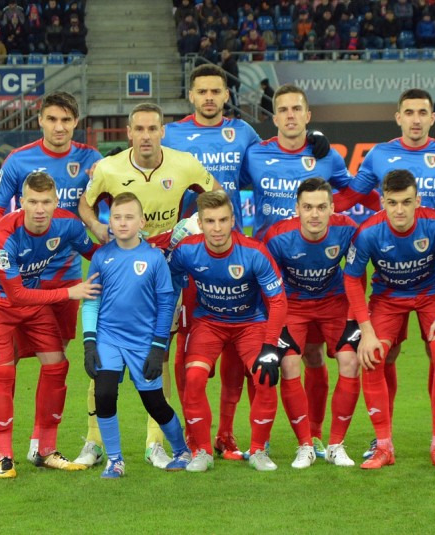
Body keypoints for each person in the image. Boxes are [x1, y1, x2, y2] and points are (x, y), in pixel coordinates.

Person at [161, 66, 333, 462]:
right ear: (191, 95)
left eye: (216, 91)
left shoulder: (243, 133)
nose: (209, 97)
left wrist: (314, 137)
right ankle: (194, 436)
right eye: (202, 91)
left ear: (227, 95)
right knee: (190, 351)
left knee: (245, 348)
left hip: (238, 249)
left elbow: (280, 149)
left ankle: (235, 436)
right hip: (189, 254)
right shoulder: (171, 135)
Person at [336, 88, 435, 460]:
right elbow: (351, 198)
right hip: (389, 283)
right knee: (381, 355)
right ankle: (382, 439)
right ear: (399, 117)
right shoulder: (379, 155)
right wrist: (311, 209)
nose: (416, 119)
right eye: (409, 112)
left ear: (432, 118)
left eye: (423, 112)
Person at [77, 101, 221, 470]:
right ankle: (94, 441)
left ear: (162, 132)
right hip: (118, 261)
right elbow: (85, 204)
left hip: (165, 267)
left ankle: (155, 443)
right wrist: (97, 225)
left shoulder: (184, 163)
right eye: (138, 129)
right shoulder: (109, 168)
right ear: (128, 133)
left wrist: (194, 227)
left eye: (152, 129)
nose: (145, 136)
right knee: (102, 360)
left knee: (159, 356)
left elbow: (215, 195)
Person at [240, 83, 377, 456]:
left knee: (314, 357)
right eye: (283, 109)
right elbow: (224, 186)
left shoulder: (325, 155)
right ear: (274, 117)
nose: (290, 115)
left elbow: (350, 193)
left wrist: (389, 207)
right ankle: (261, 438)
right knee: (266, 357)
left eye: (296, 109)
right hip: (271, 274)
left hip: (321, 279)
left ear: (307, 115)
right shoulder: (255, 154)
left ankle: (316, 436)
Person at [0, 91, 102, 470]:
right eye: (52, 119)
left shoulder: (93, 161)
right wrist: (15, 245)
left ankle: (39, 445)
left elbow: (110, 209)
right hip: (18, 280)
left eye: (66, 120)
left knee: (55, 360)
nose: (59, 127)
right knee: (7, 360)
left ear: (76, 122)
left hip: (64, 280)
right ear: (41, 121)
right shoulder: (19, 160)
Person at [343, 169, 435, 470]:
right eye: (393, 202)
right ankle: (383, 445)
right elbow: (352, 278)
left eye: (407, 202)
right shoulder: (368, 232)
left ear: (417, 201)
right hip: (388, 296)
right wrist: (366, 331)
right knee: (373, 356)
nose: (399, 210)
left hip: (432, 292)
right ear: (382, 202)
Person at [167, 191, 288, 472]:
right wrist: (162, 334)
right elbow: (168, 288)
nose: (217, 228)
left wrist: (271, 346)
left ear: (234, 220)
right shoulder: (186, 251)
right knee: (193, 378)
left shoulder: (254, 252)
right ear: (200, 223)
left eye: (223, 220)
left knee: (264, 377)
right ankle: (202, 451)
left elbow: (278, 300)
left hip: (250, 324)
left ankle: (258, 450)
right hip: (208, 323)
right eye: (210, 221)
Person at [82, 193, 192, 478]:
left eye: (129, 217)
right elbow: (91, 302)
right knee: (104, 394)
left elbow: (166, 304)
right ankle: (115, 460)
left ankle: (182, 450)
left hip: (143, 342)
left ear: (141, 222)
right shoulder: (101, 257)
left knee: (155, 403)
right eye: (116, 217)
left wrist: (158, 347)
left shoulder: (154, 258)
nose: (122, 223)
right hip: (108, 338)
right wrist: (89, 342)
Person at [263, 178, 362, 468]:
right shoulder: (278, 237)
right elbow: (269, 286)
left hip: (334, 303)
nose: (315, 214)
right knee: (290, 363)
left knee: (351, 361)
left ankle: (336, 445)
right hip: (293, 305)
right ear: (297, 209)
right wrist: (276, 326)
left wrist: (354, 317)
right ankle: (305, 445)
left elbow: (357, 275)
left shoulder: (348, 230)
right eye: (307, 207)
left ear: (332, 208)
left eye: (321, 207)